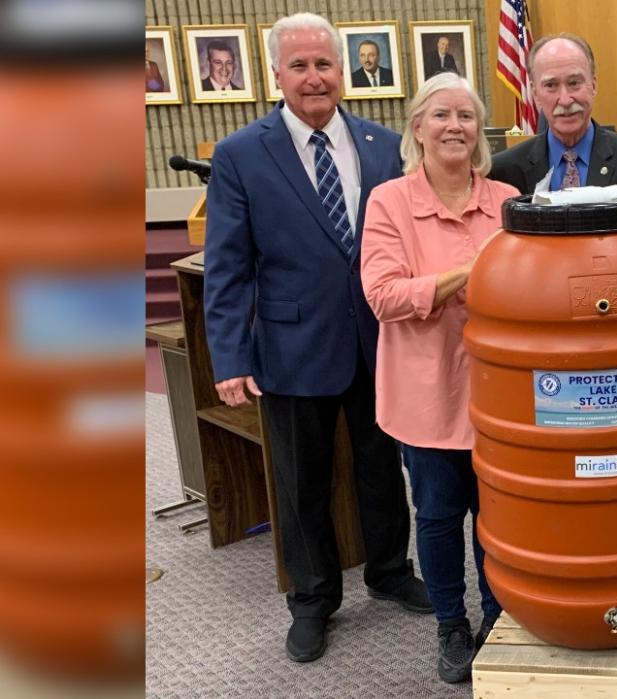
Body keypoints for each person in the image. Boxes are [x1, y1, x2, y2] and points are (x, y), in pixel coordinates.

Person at [203, 12, 432, 665]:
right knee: (302, 481)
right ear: (277, 74)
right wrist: (231, 355)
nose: (314, 77)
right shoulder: (241, 154)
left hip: (377, 341)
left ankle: (389, 570)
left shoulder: (385, 145)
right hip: (290, 347)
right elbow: (226, 267)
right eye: (299, 66)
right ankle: (312, 598)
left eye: (324, 64)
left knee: (382, 468)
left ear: (343, 70)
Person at [360, 72, 517, 685]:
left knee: (500, 518)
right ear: (417, 128)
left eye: (467, 116)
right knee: (438, 516)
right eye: (441, 115)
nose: (455, 126)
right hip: (426, 396)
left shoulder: (506, 200)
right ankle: (451, 623)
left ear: (480, 131)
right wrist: (468, 273)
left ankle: (499, 617)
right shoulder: (389, 201)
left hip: (501, 396)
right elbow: (383, 295)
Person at [489, 33, 617, 223]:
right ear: (535, 94)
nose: (565, 99)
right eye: (551, 85)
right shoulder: (504, 172)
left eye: (574, 83)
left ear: (593, 85)